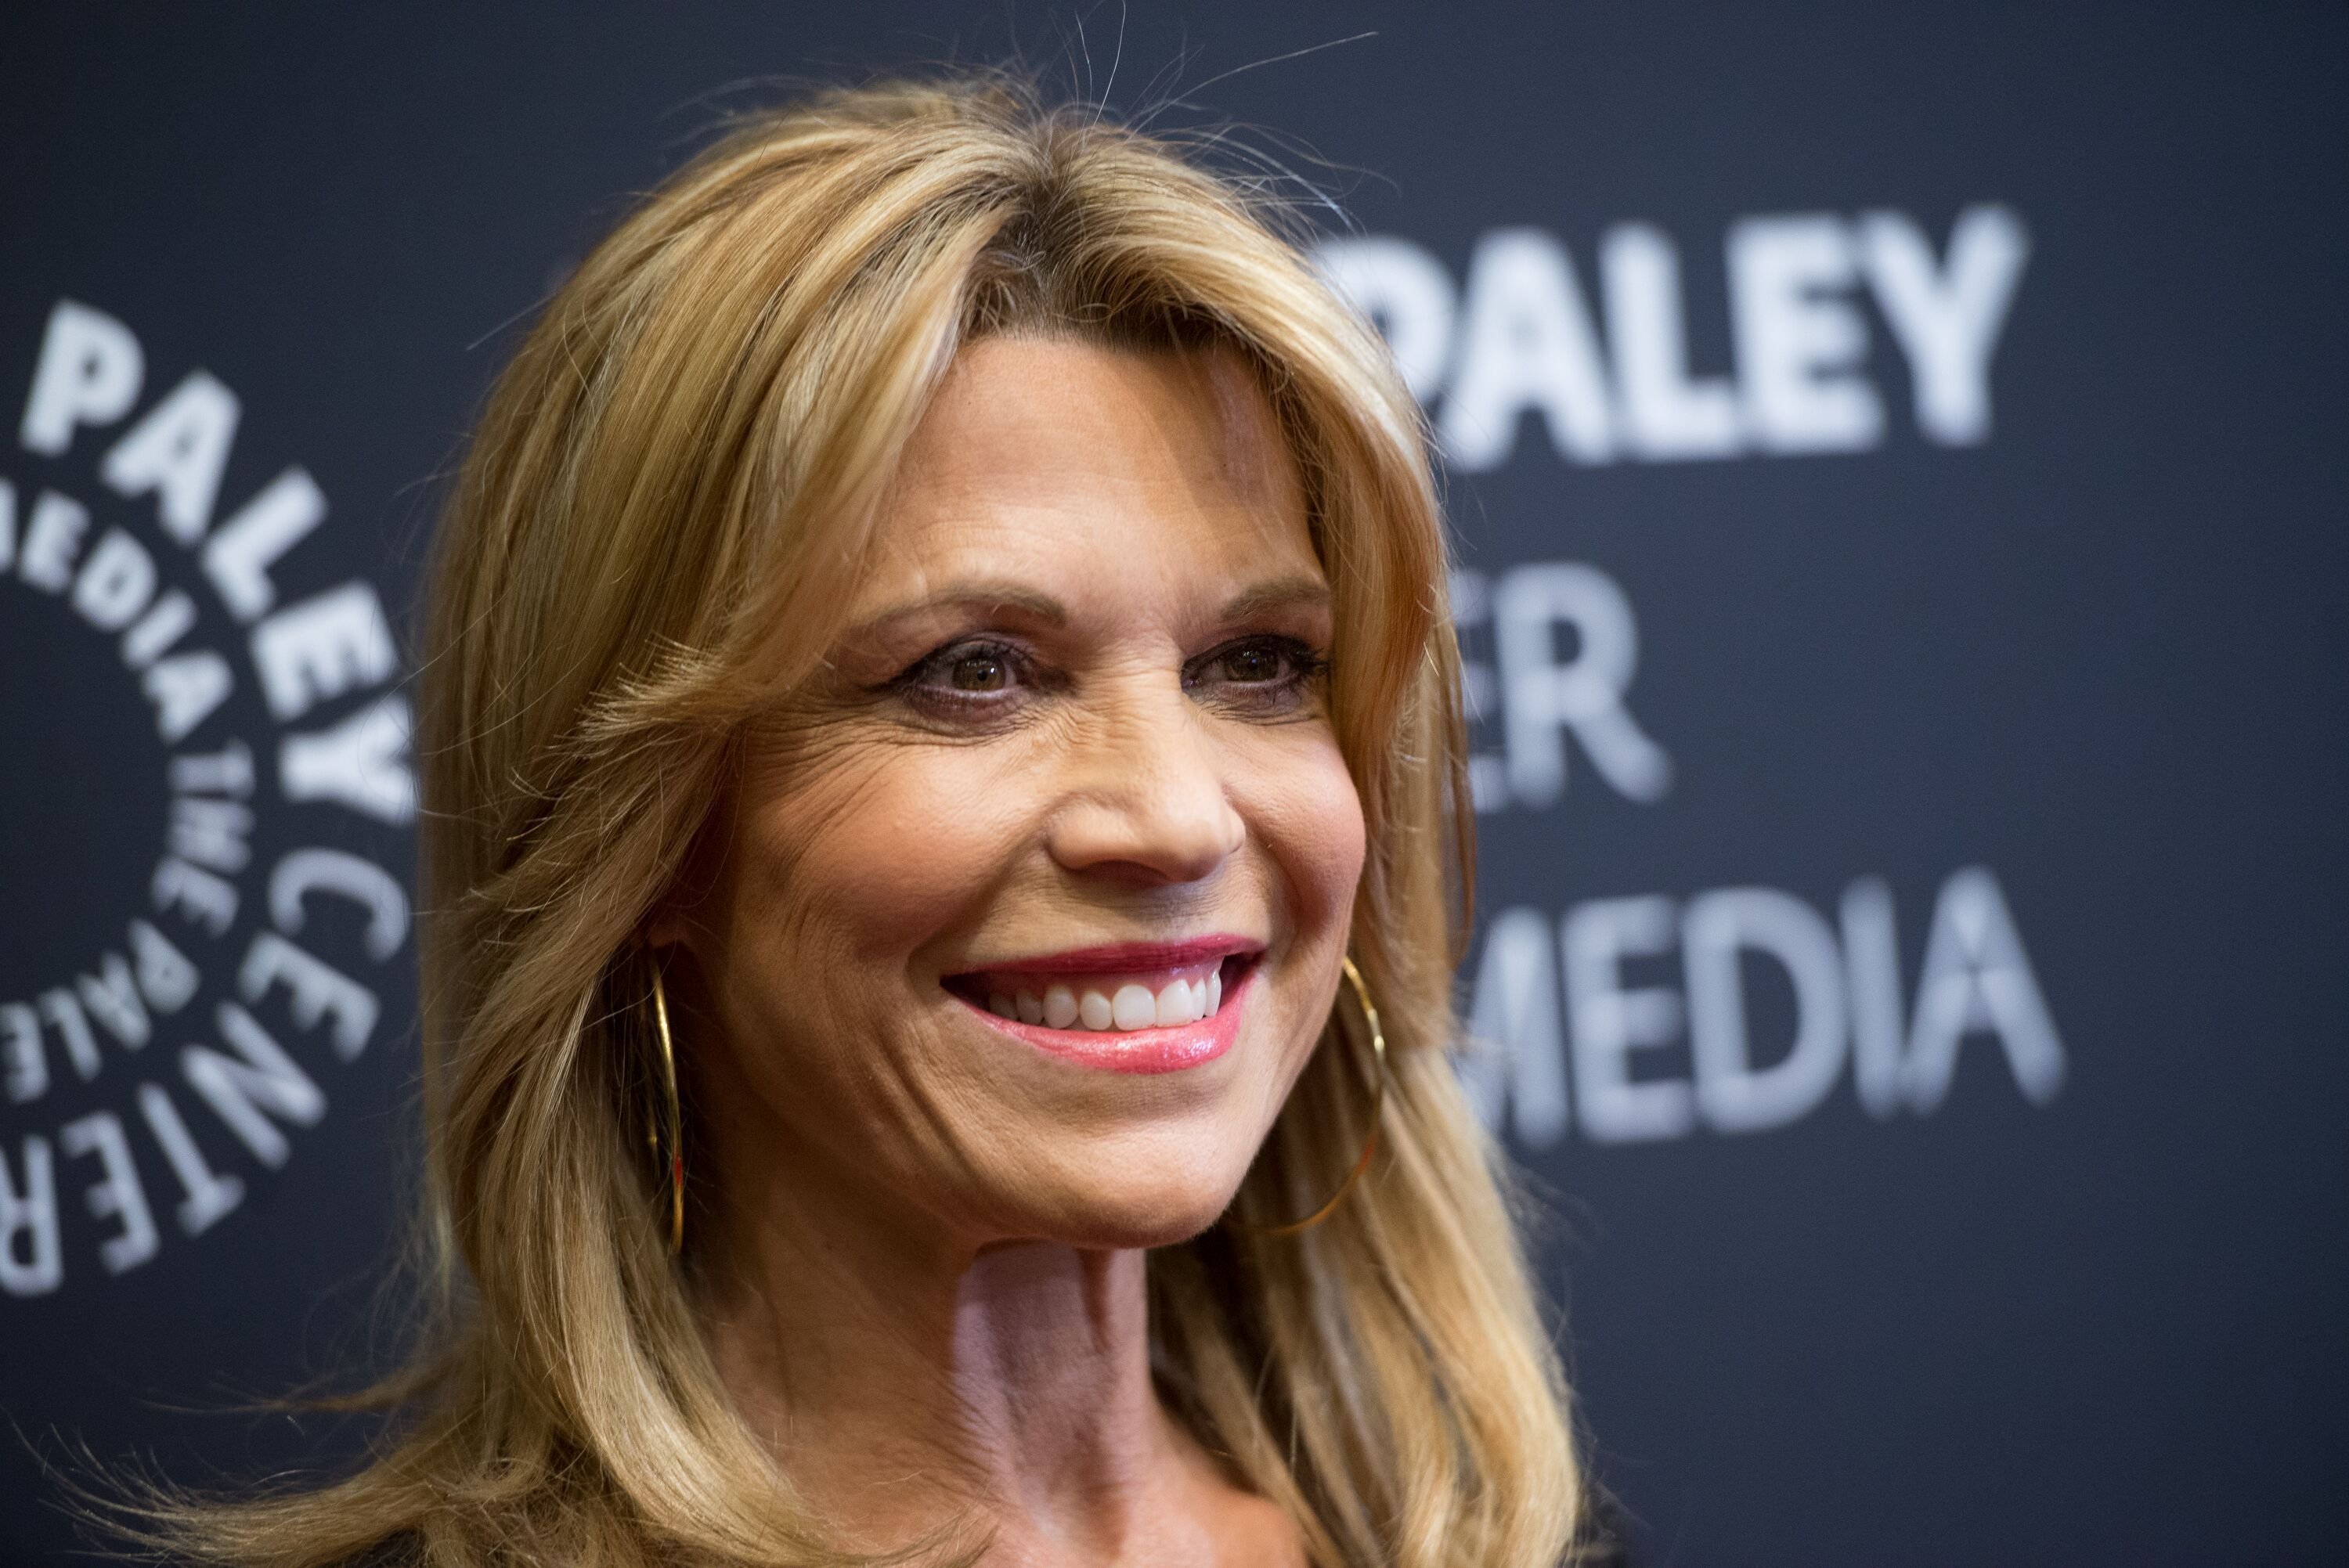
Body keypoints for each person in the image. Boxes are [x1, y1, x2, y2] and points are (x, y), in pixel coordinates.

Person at [159, 74, 1612, 1568]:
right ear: (644, 833)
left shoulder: (1502, 1542)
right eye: (974, 674)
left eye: (1258, 666)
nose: (1176, 819)